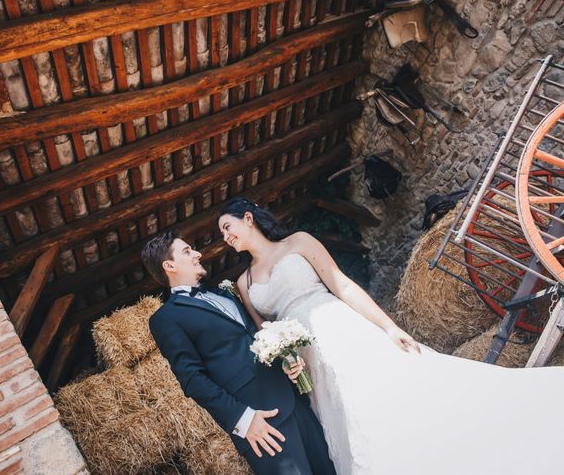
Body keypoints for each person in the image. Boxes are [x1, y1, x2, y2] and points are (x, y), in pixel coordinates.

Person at [218, 197, 564, 475]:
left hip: (337, 325)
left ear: (248, 218)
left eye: (227, 227)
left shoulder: (299, 242)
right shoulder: (244, 284)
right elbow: (266, 333)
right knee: (349, 418)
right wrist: (289, 361)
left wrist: (389, 327)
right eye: (222, 234)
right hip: (309, 360)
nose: (225, 236)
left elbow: (342, 285)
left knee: (390, 390)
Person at [141, 230, 337, 475]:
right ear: (169, 265)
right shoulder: (166, 318)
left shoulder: (223, 293)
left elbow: (257, 339)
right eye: (187, 251)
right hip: (262, 424)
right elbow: (192, 380)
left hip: (294, 400)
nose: (197, 254)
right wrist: (243, 420)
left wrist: (286, 361)